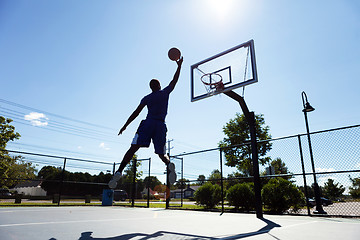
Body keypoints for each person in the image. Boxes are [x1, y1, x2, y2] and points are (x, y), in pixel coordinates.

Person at [108, 56, 183, 189]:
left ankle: (119, 170)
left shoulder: (147, 98)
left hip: (148, 124)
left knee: (133, 148)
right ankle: (169, 165)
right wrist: (179, 66)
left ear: (150, 88)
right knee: (161, 153)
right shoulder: (165, 93)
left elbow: (136, 113)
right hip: (161, 125)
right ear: (159, 86)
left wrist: (125, 125)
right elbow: (174, 81)